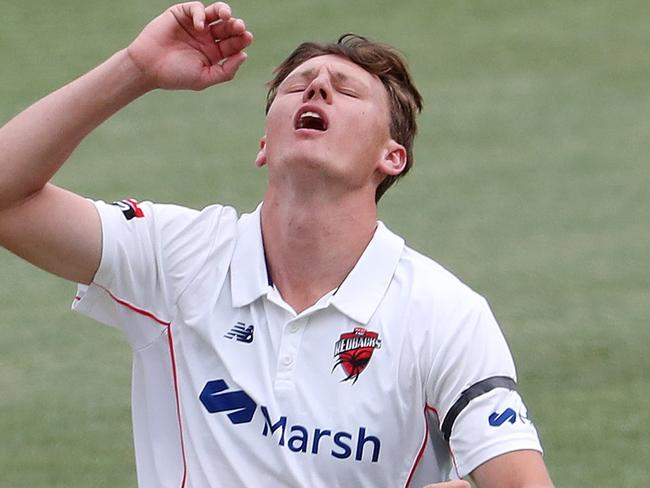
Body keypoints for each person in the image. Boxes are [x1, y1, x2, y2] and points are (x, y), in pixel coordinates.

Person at [0, 2, 554, 487]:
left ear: (392, 157)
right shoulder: (179, 257)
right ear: (266, 144)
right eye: (298, 86)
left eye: (347, 91)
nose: (316, 88)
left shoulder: (443, 315)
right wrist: (135, 70)